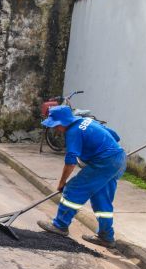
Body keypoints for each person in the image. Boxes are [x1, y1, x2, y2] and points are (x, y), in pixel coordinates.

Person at [37, 105, 126, 248]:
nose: (55, 128)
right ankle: (106, 237)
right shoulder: (84, 121)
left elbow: (71, 161)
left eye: (56, 125)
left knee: (73, 189)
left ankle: (60, 225)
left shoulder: (73, 132)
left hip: (104, 162)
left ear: (63, 122)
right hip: (118, 157)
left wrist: (62, 182)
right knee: (101, 199)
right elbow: (115, 135)